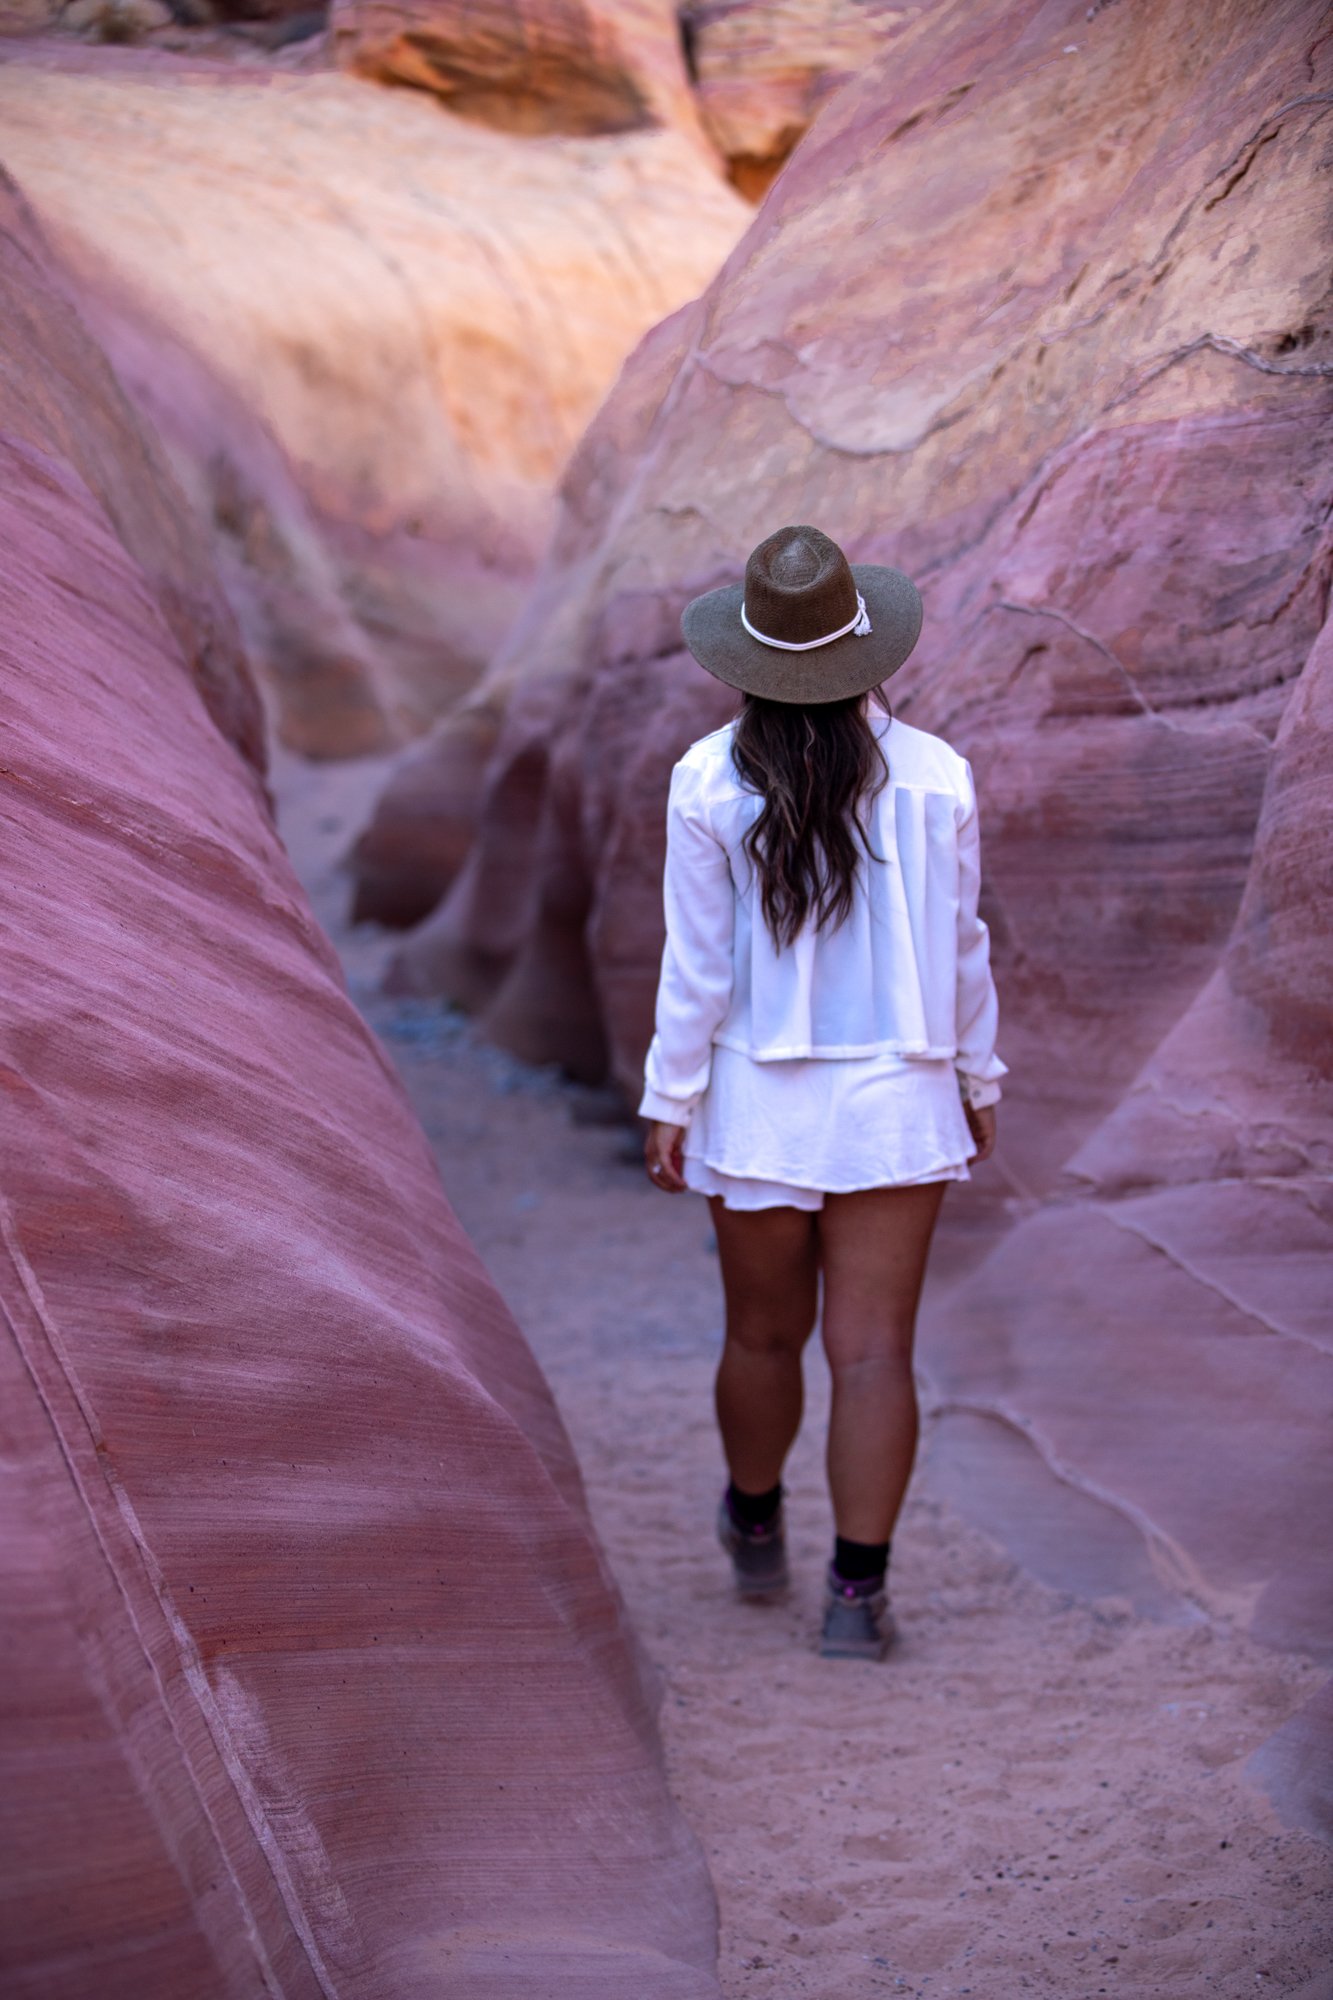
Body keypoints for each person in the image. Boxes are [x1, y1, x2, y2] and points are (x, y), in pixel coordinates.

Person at [639, 524, 1005, 1661]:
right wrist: (976, 1077)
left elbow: (694, 965)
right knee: (872, 1349)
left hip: (755, 1100)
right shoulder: (937, 775)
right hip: (898, 1096)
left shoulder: (706, 780)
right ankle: (855, 1597)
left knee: (760, 1334)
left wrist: (670, 1093)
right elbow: (962, 949)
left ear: (746, 657)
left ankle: (753, 1514)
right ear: (865, 644)